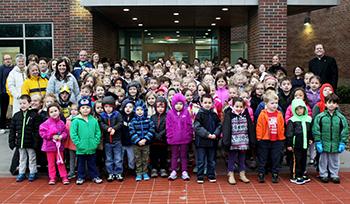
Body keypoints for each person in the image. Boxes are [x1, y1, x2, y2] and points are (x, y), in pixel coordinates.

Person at [313, 94, 349, 184]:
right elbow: (316, 129)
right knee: (323, 160)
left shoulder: (341, 118)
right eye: (329, 102)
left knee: (334, 160)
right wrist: (318, 141)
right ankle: (323, 174)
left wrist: (342, 142)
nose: (331, 105)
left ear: (337, 105)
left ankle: (334, 174)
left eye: (334, 103)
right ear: (325, 104)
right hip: (323, 142)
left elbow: (345, 129)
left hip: (336, 143)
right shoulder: (320, 117)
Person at [70, 97, 103, 185]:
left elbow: (98, 132)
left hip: (92, 147)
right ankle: (80, 177)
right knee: (81, 164)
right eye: (83, 107)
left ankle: (94, 176)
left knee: (92, 163)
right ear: (79, 109)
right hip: (81, 148)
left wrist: (96, 142)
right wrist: (78, 143)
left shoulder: (93, 120)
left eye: (87, 107)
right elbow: (73, 134)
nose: (85, 109)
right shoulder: (76, 120)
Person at [223, 97, 255, 185]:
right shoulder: (229, 114)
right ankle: (230, 173)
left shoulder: (246, 114)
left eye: (241, 107)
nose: (239, 108)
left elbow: (250, 127)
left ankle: (242, 173)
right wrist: (226, 141)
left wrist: (252, 139)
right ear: (233, 106)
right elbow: (226, 128)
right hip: (233, 141)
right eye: (237, 106)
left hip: (243, 140)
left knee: (242, 157)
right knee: (232, 157)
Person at [8, 95, 40, 182]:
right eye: (21, 103)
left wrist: (35, 142)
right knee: (22, 158)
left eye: (24, 103)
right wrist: (11, 141)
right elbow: (12, 130)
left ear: (29, 104)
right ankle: (21, 173)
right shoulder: (16, 116)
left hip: (30, 143)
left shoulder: (34, 115)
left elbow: (37, 130)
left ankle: (33, 172)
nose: (22, 105)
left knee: (32, 158)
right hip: (20, 143)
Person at [256, 91, 285, 183]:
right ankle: (261, 173)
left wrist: (282, 138)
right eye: (272, 103)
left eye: (276, 103)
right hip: (265, 139)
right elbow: (259, 126)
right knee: (263, 157)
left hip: (277, 139)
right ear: (266, 104)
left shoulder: (279, 114)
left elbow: (282, 126)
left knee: (275, 157)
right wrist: (259, 137)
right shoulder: (263, 114)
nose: (274, 105)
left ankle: (275, 173)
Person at [39, 103, 69, 185]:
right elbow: (42, 133)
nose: (54, 113)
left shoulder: (62, 123)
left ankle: (64, 176)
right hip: (49, 147)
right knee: (51, 163)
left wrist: (61, 136)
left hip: (59, 147)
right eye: (51, 112)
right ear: (48, 114)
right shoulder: (46, 123)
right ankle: (52, 177)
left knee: (61, 161)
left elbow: (65, 132)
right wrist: (52, 136)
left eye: (55, 111)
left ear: (59, 111)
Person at [194, 94, 222, 184]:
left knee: (211, 160)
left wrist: (215, 134)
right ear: (201, 103)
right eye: (205, 102)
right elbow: (197, 127)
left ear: (212, 103)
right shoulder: (199, 114)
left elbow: (219, 125)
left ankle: (211, 175)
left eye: (209, 102)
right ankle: (200, 176)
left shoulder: (214, 114)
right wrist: (207, 134)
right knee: (201, 160)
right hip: (201, 142)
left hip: (212, 142)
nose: (207, 104)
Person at [166, 93, 193, 181]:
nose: (178, 106)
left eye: (181, 104)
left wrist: (189, 135)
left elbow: (189, 125)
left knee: (184, 155)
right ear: (173, 104)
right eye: (176, 104)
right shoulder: (170, 113)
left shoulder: (186, 112)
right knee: (174, 155)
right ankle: (173, 170)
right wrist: (170, 136)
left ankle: (184, 171)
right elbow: (168, 126)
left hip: (184, 138)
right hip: (174, 139)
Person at [286, 99, 313, 185]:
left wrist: (311, 139)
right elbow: (289, 133)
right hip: (296, 144)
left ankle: (302, 173)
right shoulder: (292, 120)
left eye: (301, 108)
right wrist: (289, 144)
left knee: (304, 159)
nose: (299, 111)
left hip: (305, 144)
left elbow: (310, 131)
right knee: (296, 160)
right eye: (297, 109)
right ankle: (295, 175)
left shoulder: (308, 119)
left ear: (304, 108)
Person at [129, 100, 155, 181]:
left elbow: (151, 130)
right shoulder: (133, 121)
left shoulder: (148, 120)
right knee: (138, 159)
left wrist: (145, 139)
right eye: (137, 110)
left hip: (146, 143)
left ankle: (145, 172)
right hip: (136, 144)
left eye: (141, 110)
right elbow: (132, 131)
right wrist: (138, 140)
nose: (139, 112)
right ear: (135, 111)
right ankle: (139, 173)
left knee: (145, 158)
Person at [99, 96, 124, 182]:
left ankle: (118, 172)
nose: (108, 109)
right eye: (106, 107)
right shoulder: (102, 115)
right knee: (109, 159)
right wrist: (107, 128)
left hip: (117, 140)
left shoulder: (117, 114)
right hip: (107, 141)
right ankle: (110, 173)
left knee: (118, 158)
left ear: (113, 106)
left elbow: (120, 123)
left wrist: (114, 128)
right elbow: (101, 123)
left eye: (110, 106)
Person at [150, 97, 168, 178]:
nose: (160, 109)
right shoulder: (152, 117)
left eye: (162, 107)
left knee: (163, 154)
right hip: (154, 140)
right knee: (154, 154)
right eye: (158, 107)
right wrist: (155, 134)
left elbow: (168, 127)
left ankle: (163, 168)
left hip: (163, 140)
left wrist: (161, 134)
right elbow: (150, 126)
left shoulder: (167, 116)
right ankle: (154, 168)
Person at [0, 54, 14, 133]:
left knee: (13, 109)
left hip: (12, 92)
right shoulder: (1, 68)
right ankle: (2, 126)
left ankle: (12, 126)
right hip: (4, 92)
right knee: (3, 110)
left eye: (9, 58)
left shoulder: (14, 68)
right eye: (6, 59)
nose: (8, 60)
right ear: (3, 60)